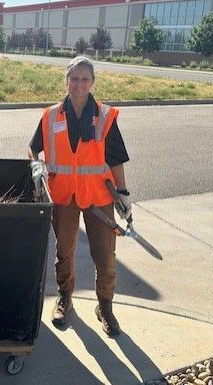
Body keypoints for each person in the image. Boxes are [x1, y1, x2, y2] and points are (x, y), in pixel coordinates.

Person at [29, 55, 132, 337]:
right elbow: (33, 148)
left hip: (99, 198)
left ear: (93, 82)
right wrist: (36, 165)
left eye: (85, 79)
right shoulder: (51, 115)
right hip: (64, 197)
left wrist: (122, 194)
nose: (79, 84)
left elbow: (116, 159)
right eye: (74, 78)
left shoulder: (105, 117)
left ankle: (105, 306)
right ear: (67, 81)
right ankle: (65, 298)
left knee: (105, 256)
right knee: (64, 253)